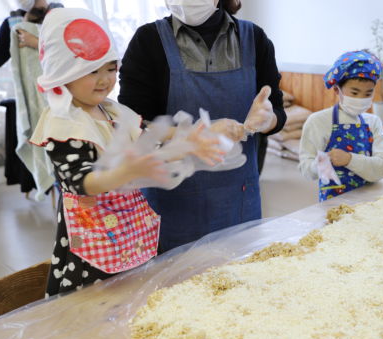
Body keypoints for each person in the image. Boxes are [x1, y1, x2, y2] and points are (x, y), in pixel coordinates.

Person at [29, 8, 222, 297]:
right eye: (91, 71)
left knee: (136, 290)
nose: (104, 79)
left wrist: (188, 140)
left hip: (127, 225)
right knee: (99, 301)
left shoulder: (111, 109)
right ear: (62, 73)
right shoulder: (63, 123)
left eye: (110, 68)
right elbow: (81, 182)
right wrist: (124, 172)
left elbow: (149, 134)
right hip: (91, 234)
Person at [118, 0, 287, 252]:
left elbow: (276, 109)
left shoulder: (255, 39)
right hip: (172, 202)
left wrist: (267, 119)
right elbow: (132, 126)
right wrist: (192, 136)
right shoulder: (148, 41)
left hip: (239, 199)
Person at [298, 50, 383, 201]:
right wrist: (319, 165)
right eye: (354, 93)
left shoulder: (373, 122)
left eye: (368, 93)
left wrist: (349, 159)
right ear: (337, 90)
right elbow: (306, 169)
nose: (361, 98)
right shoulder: (318, 121)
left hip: (369, 201)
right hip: (333, 204)